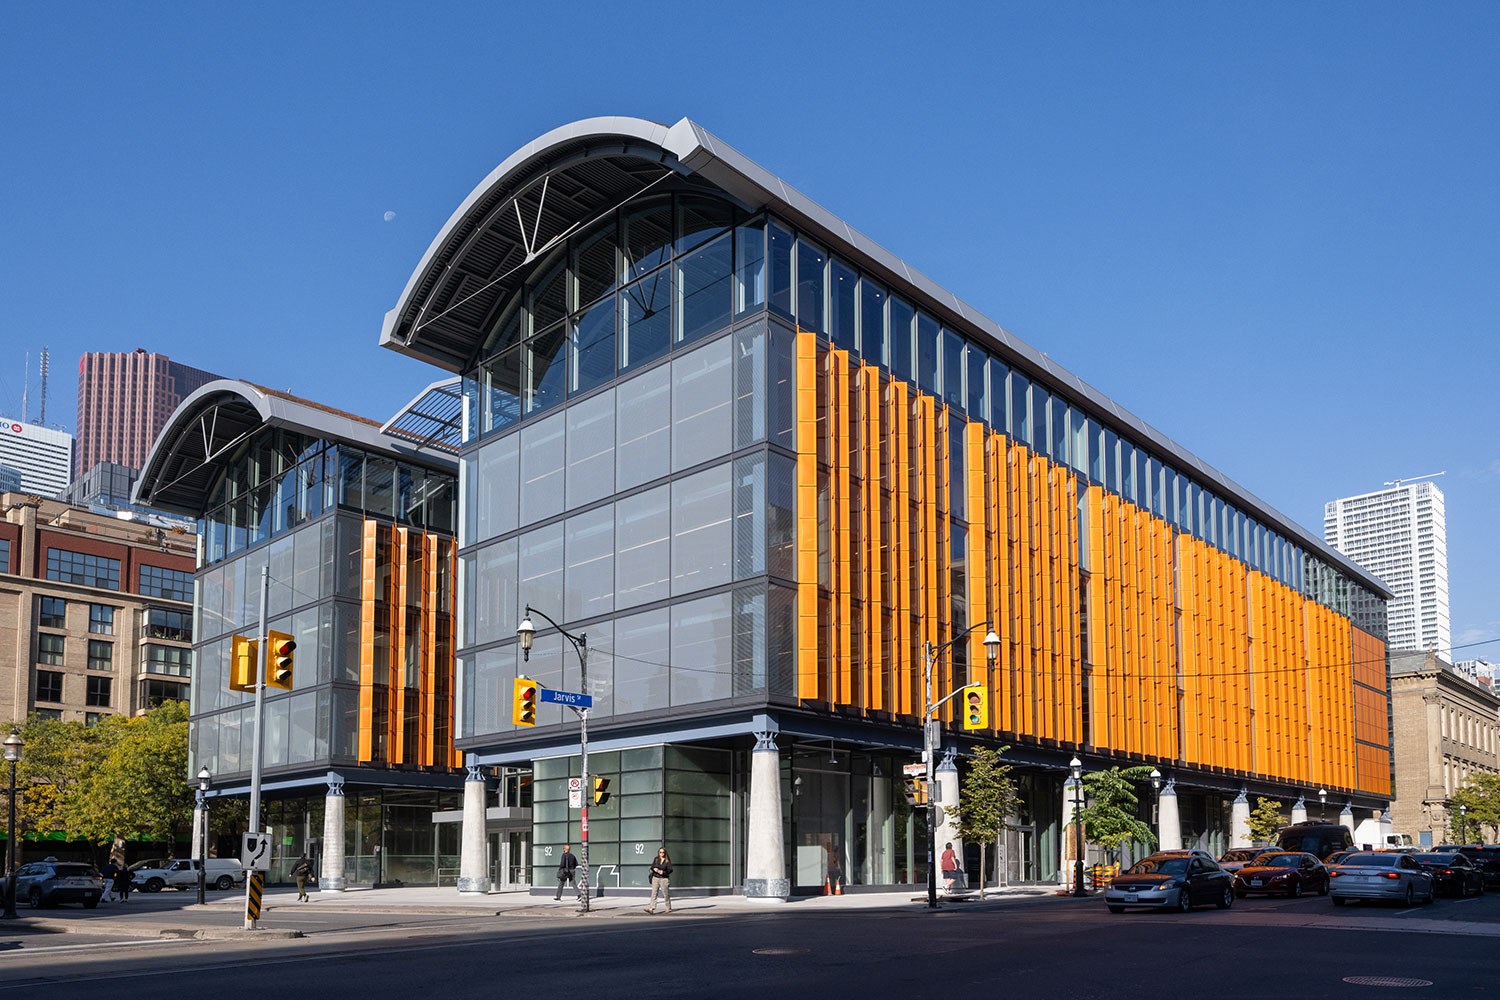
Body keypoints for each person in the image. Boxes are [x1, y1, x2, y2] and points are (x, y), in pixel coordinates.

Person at [644, 847, 673, 914]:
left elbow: (670, 870)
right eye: (660, 852)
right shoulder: (656, 859)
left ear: (665, 853)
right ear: (658, 853)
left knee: (666, 894)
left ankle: (668, 908)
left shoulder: (667, 861)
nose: (661, 853)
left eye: (663, 852)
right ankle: (651, 908)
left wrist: (663, 872)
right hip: (655, 878)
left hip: (664, 879)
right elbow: (652, 867)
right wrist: (654, 869)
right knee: (654, 893)